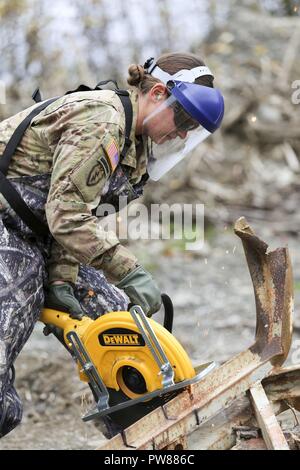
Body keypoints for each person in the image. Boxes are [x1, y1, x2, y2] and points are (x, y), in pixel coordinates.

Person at [0, 52, 224, 437]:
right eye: (184, 118)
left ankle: (144, 435)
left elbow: (75, 219)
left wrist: (61, 279)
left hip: (37, 230)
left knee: (121, 327)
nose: (184, 133)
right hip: (7, 222)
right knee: (17, 300)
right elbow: (66, 216)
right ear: (156, 93)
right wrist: (129, 269)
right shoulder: (102, 121)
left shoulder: (134, 154)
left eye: (193, 127)